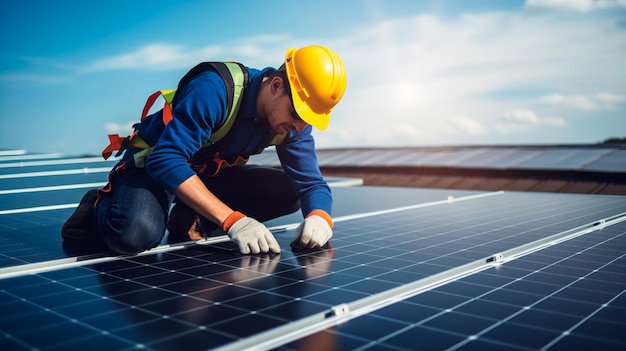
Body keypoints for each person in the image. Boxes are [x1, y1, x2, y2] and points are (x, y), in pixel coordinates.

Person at [61, 45, 347, 255]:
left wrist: (320, 216)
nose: (299, 127)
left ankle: (191, 218)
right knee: (135, 235)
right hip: (153, 168)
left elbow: (310, 183)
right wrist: (232, 220)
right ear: (275, 85)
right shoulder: (215, 89)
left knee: (289, 192)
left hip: (204, 174)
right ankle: (95, 210)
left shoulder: (293, 121)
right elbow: (166, 159)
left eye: (307, 119)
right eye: (297, 115)